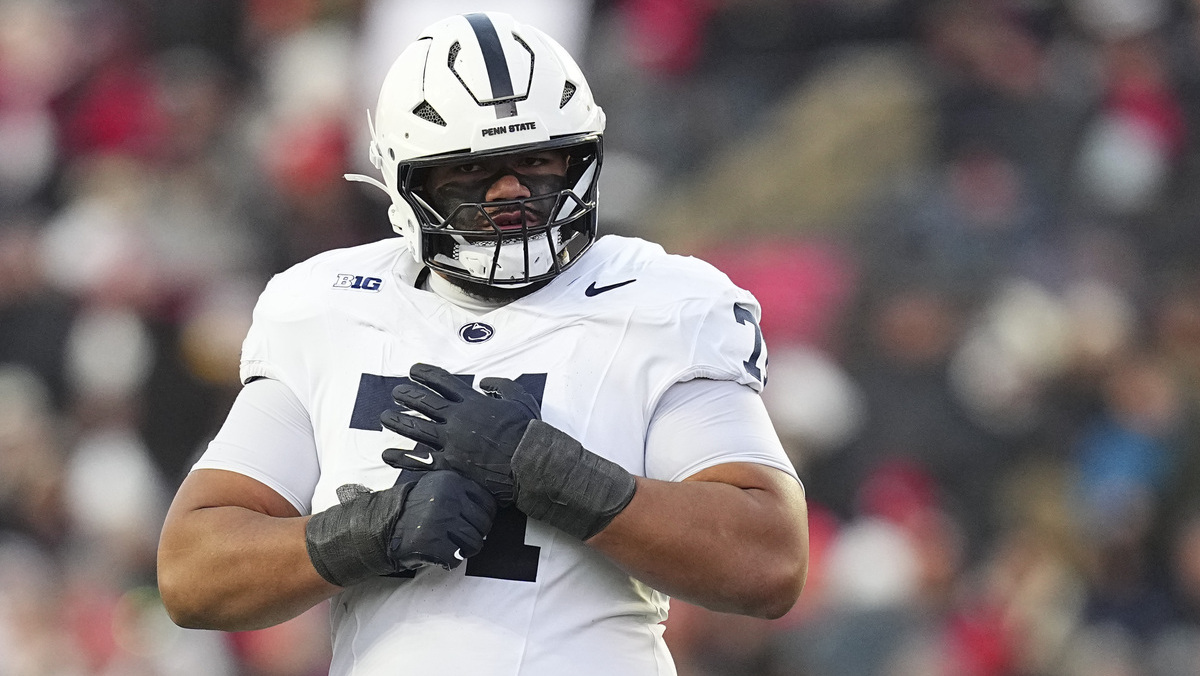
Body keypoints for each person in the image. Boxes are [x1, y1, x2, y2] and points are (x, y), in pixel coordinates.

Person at [156, 11, 809, 675]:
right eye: (471, 172)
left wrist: (550, 472)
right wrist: (369, 532)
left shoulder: (661, 304)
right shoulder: (331, 307)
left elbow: (768, 561)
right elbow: (191, 570)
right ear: (404, 182)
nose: (511, 194)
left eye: (535, 160)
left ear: (582, 154)